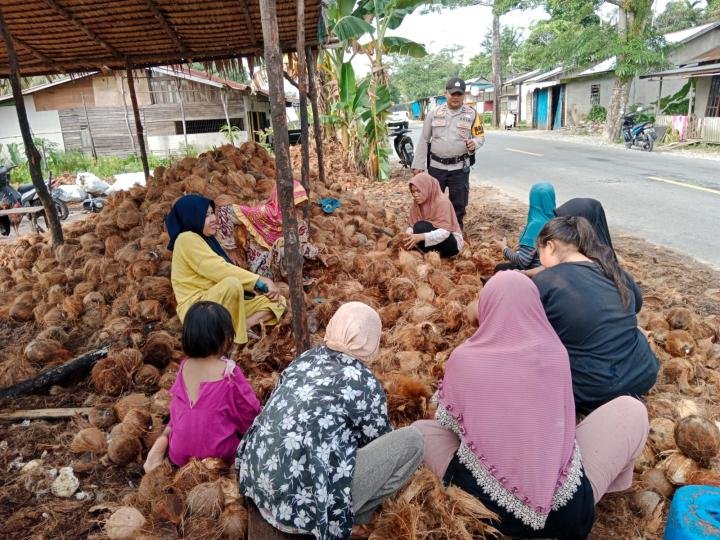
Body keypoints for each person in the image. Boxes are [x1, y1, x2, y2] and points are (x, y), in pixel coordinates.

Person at [413, 271, 649, 538]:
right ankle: (601, 493)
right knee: (632, 409)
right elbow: (562, 425)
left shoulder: (465, 359)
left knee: (421, 431)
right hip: (566, 518)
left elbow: (446, 422)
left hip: (488, 512)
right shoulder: (556, 353)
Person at [236, 302, 424, 539]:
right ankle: (353, 517)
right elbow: (380, 439)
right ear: (372, 341)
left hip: (258, 485)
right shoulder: (364, 383)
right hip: (306, 511)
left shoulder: (306, 358)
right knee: (413, 441)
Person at [532, 216, 659, 414]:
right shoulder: (613, 271)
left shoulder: (547, 280)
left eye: (538, 251)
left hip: (589, 392)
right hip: (642, 376)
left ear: (549, 246)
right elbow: (637, 305)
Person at [143, 301, 261, 472]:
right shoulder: (229, 372)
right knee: (243, 432)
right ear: (225, 337)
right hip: (217, 455)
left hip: (179, 454)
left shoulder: (185, 366)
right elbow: (250, 411)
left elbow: (177, 405)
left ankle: (165, 439)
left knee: (186, 417)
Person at [166, 194, 285, 345]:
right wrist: (259, 280)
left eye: (212, 213)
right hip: (198, 311)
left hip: (219, 301)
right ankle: (237, 341)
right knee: (232, 284)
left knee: (278, 301)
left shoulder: (204, 239)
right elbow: (220, 270)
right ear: (192, 217)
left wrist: (259, 287)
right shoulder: (186, 239)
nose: (214, 219)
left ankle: (242, 326)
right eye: (206, 215)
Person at [412, 77, 486, 229]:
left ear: (464, 95)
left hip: (459, 168)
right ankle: (432, 230)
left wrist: (474, 144)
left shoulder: (472, 114)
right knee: (432, 200)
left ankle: (456, 232)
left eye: (459, 94)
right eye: (452, 94)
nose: (455, 97)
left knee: (458, 203)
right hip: (436, 167)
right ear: (445, 93)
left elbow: (480, 137)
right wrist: (418, 165)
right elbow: (424, 139)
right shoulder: (434, 113)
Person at [215, 180, 323, 281]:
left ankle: (297, 281)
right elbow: (225, 211)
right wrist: (230, 248)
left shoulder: (298, 223)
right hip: (262, 269)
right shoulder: (261, 213)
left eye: (298, 206)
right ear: (280, 200)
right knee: (283, 246)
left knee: (295, 250)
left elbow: (303, 245)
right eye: (293, 204)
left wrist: (318, 254)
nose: (296, 209)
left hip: (287, 270)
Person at [494, 182, 556, 272]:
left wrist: (504, 248)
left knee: (500, 268)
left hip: (534, 272)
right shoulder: (556, 220)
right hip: (552, 271)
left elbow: (523, 261)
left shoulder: (536, 224)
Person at [401, 172, 463, 257]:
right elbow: (411, 226)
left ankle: (425, 250)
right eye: (413, 192)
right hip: (430, 238)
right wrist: (408, 235)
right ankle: (424, 251)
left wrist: (421, 237)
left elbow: (445, 232)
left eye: (418, 191)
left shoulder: (442, 202)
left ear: (427, 188)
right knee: (414, 234)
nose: (415, 195)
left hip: (451, 242)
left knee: (419, 227)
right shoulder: (417, 203)